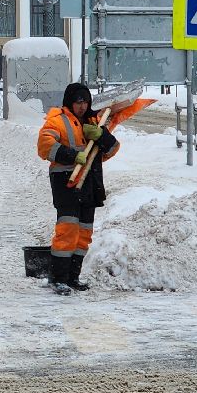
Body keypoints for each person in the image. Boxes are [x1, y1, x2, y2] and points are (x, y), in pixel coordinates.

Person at [36, 82, 119, 296]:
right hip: (67, 183)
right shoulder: (57, 120)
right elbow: (44, 146)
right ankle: (58, 278)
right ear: (69, 102)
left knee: (84, 233)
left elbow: (112, 149)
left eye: (86, 102)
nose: (82, 106)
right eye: (78, 102)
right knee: (67, 231)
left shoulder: (94, 121)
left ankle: (73, 277)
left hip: (90, 184)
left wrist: (101, 136)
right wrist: (72, 156)